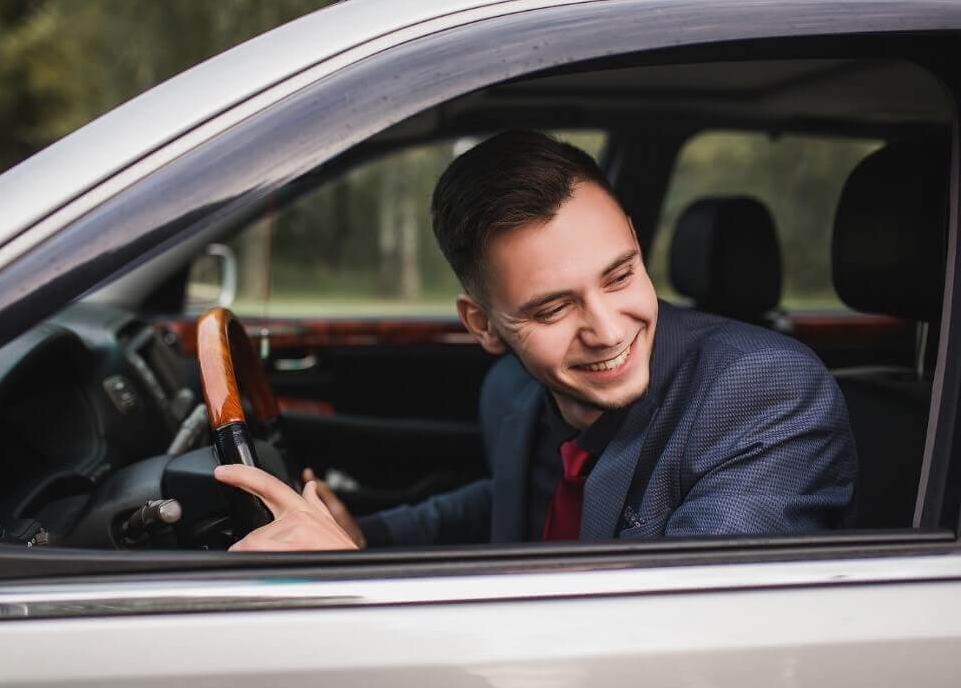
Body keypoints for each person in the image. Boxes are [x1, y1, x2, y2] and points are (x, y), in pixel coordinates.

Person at [215, 131, 857, 551]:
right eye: (552, 309)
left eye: (620, 275)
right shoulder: (512, 389)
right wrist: (367, 532)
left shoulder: (767, 393)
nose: (608, 330)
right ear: (484, 326)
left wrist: (354, 575)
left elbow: (675, 637)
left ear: (635, 241)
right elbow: (515, 497)